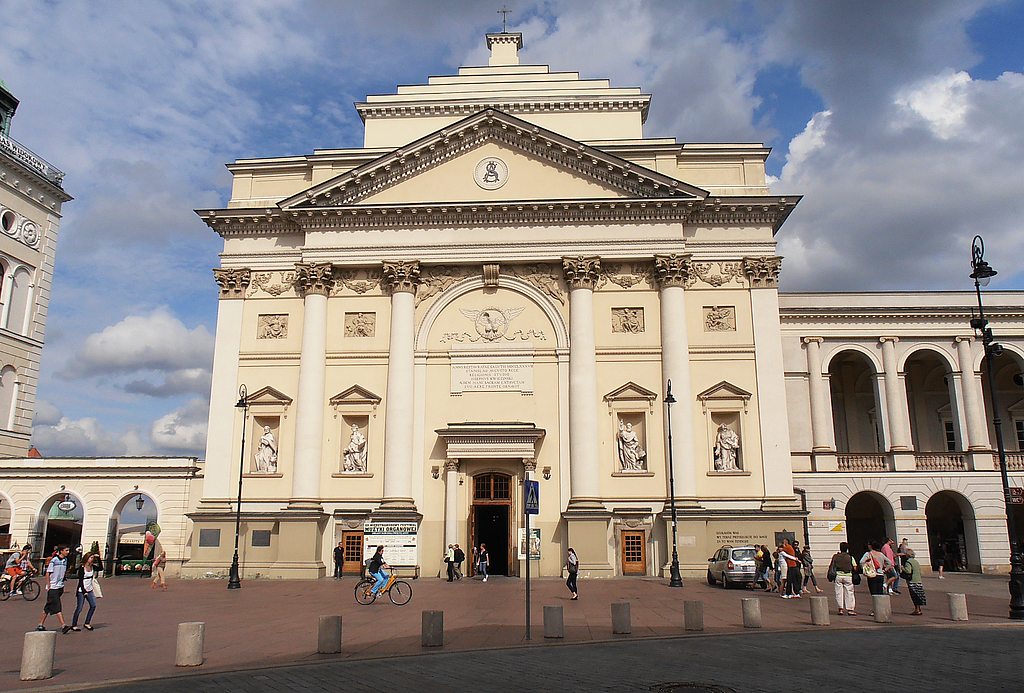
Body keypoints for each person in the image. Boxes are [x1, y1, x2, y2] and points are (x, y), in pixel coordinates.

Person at [38, 545, 70, 633]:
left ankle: (40, 624)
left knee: (48, 606)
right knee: (57, 605)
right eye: (66, 550)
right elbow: (48, 573)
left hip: (60, 586)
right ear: (61, 551)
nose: (68, 552)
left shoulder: (65, 560)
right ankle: (63, 625)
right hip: (53, 587)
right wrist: (48, 585)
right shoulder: (54, 560)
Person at [828, 542, 858, 616]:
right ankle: (850, 609)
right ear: (847, 549)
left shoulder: (836, 556)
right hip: (848, 576)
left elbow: (832, 565)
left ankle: (840, 609)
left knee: (838, 593)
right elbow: (855, 567)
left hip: (838, 576)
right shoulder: (850, 557)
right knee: (849, 592)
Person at [71, 553, 99, 631]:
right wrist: (84, 591)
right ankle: (74, 624)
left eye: (93, 558)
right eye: (90, 557)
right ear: (86, 558)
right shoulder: (82, 567)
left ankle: (87, 623)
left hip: (89, 589)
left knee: (93, 605)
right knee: (79, 608)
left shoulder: (92, 567)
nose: (92, 559)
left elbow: (100, 568)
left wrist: (98, 558)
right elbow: (80, 581)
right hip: (81, 590)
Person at [901, 548, 926, 615]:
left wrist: (903, 568)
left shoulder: (908, 562)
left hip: (912, 580)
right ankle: (919, 609)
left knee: (914, 595)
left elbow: (908, 571)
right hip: (918, 580)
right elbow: (920, 571)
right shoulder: (916, 561)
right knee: (919, 594)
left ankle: (917, 609)